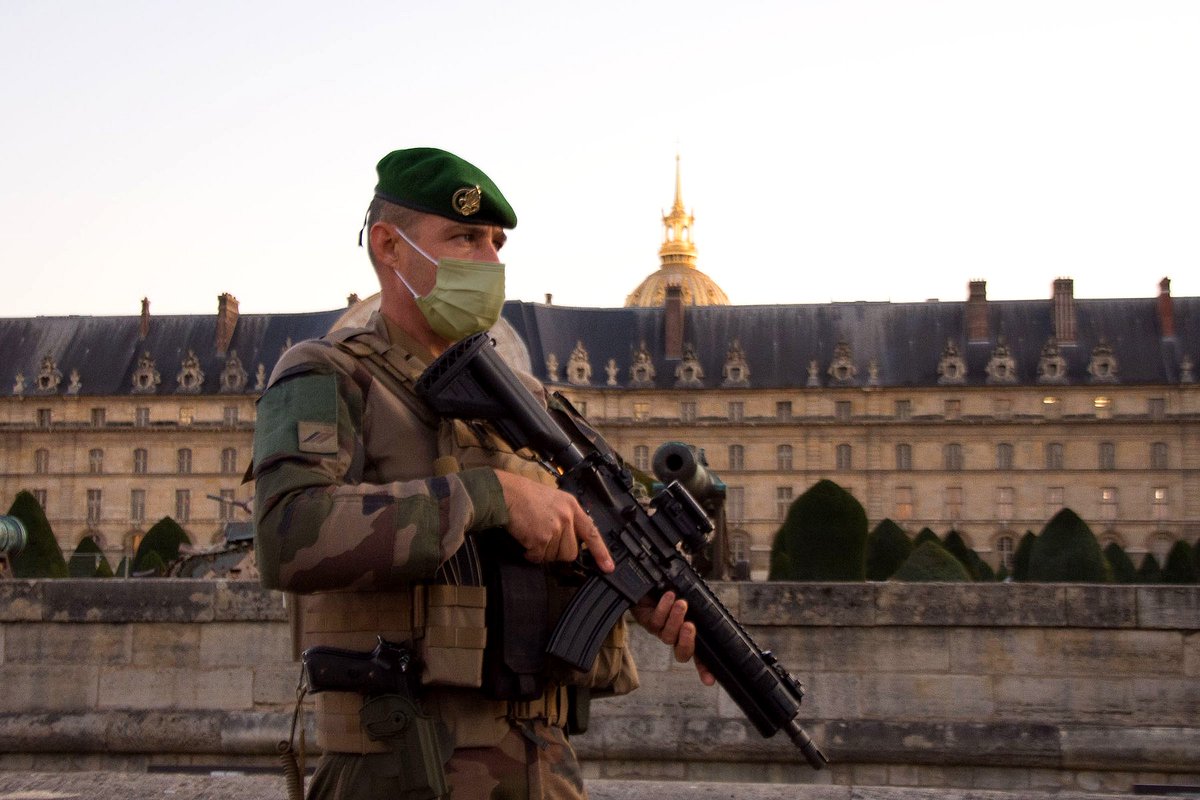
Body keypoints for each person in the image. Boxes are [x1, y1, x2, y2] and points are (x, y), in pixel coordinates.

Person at [254, 147, 712, 800]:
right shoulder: (328, 373)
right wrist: (488, 495)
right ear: (389, 247)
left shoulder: (528, 398)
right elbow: (287, 534)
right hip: (399, 769)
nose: (491, 261)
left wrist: (631, 587)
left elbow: (542, 551)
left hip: (542, 768)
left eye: (496, 242)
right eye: (465, 237)